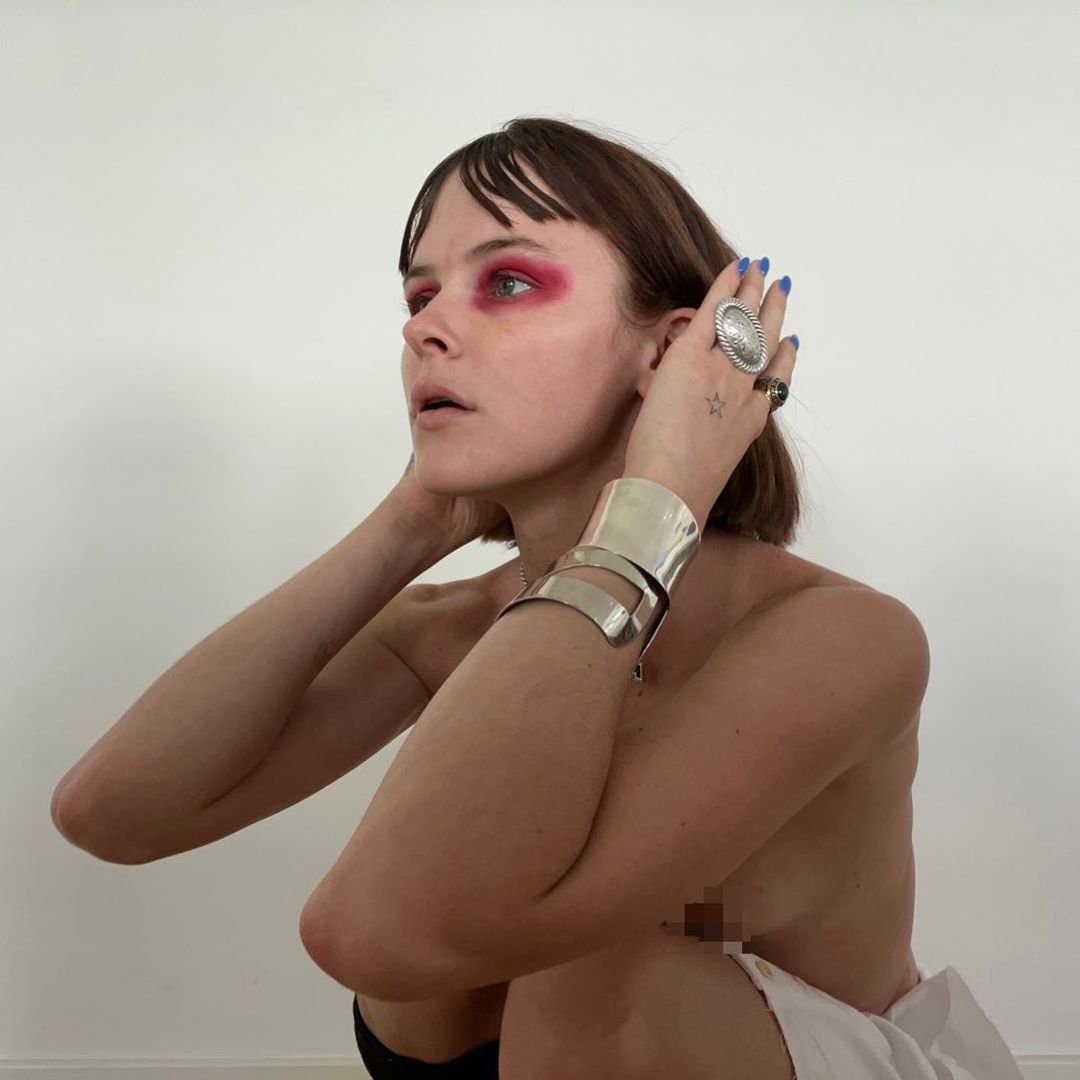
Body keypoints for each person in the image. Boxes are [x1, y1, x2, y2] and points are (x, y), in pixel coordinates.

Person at [337, 115, 1022, 1078]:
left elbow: (378, 929)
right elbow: (123, 812)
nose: (422, 327)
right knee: (438, 973)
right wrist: (413, 519)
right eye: (420, 294)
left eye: (509, 282)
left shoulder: (842, 636)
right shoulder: (460, 623)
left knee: (592, 976)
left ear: (672, 353)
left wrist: (661, 494)